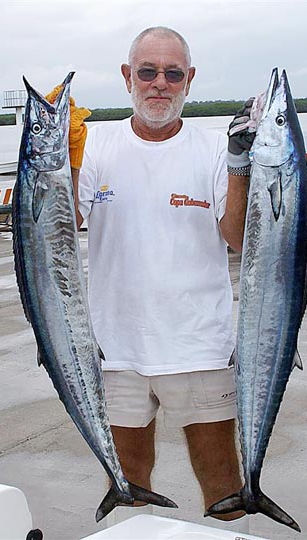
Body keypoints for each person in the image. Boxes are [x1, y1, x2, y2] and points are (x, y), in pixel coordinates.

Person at [50, 26, 255, 533]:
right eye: (147, 71)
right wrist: (60, 153)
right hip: (115, 350)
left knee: (225, 484)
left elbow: (238, 238)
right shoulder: (95, 144)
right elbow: (63, 221)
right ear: (127, 77)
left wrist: (240, 162)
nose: (159, 83)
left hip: (200, 346)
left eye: (172, 73)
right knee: (127, 480)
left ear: (190, 79)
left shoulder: (213, 149)